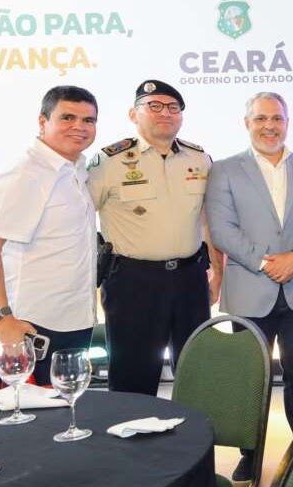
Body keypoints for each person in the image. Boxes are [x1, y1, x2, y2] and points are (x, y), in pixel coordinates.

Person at [204, 92, 293, 487]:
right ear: (247, 123)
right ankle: (249, 456)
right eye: (261, 119)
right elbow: (222, 229)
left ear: (287, 122)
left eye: (277, 118)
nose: (269, 126)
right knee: (251, 378)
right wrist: (266, 262)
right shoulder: (224, 170)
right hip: (249, 289)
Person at [88, 79, 222, 396]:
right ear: (133, 114)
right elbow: (79, 221)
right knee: (133, 377)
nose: (165, 113)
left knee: (197, 371)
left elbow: (207, 220)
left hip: (190, 280)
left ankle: (193, 430)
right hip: (133, 282)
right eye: (155, 106)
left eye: (173, 107)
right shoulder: (108, 162)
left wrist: (217, 272)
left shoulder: (199, 159)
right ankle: (131, 430)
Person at [0, 86, 99, 385]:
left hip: (75, 320)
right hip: (33, 326)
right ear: (43, 122)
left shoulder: (76, 169)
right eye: (67, 117)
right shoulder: (24, 174)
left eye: (88, 120)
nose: (79, 127)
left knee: (66, 405)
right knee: (27, 409)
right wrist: (2, 319)